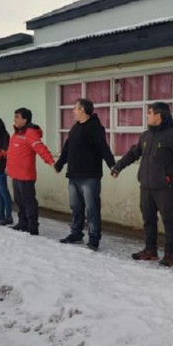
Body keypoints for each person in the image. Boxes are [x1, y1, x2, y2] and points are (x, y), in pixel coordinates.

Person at [111, 102, 173, 264]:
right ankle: (150, 250)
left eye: (150, 113)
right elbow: (133, 153)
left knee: (168, 221)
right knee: (148, 220)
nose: (147, 116)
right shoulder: (146, 135)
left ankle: (169, 255)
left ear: (158, 116)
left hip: (165, 187)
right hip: (146, 186)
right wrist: (118, 167)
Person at [56, 98, 116, 252]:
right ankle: (76, 234)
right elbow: (67, 149)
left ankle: (94, 238)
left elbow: (103, 148)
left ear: (82, 110)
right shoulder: (75, 128)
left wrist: (112, 166)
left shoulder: (95, 128)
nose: (73, 111)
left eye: (75, 108)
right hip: (74, 175)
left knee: (92, 208)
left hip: (90, 176)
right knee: (76, 207)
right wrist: (60, 164)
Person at [6, 107, 55, 235]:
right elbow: (12, 152)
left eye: (17, 117)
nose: (14, 119)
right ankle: (22, 222)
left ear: (25, 119)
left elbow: (40, 148)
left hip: (26, 175)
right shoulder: (17, 133)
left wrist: (51, 162)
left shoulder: (30, 132)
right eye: (14, 116)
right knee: (19, 201)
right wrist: (8, 167)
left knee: (28, 202)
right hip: (15, 174)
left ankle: (32, 226)